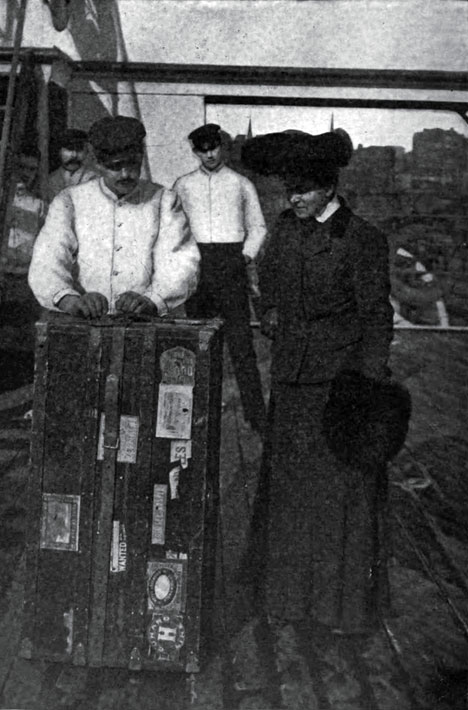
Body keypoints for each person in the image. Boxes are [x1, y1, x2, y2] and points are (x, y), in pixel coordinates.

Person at [254, 130, 395, 638]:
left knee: (339, 501)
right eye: (289, 189)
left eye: (304, 190)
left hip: (340, 388)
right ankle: (289, 602)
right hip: (291, 382)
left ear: (329, 188)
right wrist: (268, 310)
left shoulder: (362, 239)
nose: (293, 198)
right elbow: (266, 282)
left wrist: (368, 389)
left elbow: (377, 318)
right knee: (291, 496)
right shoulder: (286, 229)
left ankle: (340, 611)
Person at [29, 116, 200, 319]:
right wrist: (70, 300)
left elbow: (181, 262)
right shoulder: (70, 200)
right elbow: (47, 260)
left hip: (149, 322)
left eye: (133, 164)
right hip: (82, 323)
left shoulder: (164, 200)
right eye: (115, 166)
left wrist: (153, 300)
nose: (125, 174)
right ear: (98, 164)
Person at [173, 123, 267, 433]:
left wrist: (244, 257)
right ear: (194, 151)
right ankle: (196, 413)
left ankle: (256, 415)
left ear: (222, 147)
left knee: (241, 345)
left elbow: (258, 227)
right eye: (203, 149)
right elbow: (172, 228)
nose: (210, 154)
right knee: (198, 344)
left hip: (231, 265)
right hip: (198, 268)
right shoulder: (183, 185)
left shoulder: (241, 184)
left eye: (214, 147)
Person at [46, 128, 97, 203]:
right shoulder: (50, 180)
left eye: (79, 150)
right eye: (69, 149)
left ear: (86, 152)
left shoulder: (93, 179)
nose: (74, 155)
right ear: (59, 151)